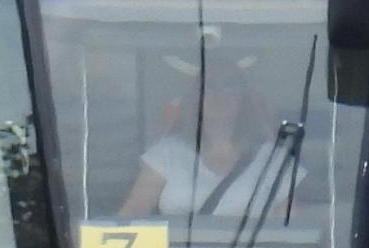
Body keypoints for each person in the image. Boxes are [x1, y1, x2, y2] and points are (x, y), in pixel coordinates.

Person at [118, 60, 286, 221]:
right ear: (194, 98)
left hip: (253, 243)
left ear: (244, 99)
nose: (219, 94)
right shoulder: (167, 153)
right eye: (209, 87)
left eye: (230, 85)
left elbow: (291, 224)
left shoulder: (274, 158)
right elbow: (133, 213)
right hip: (178, 243)